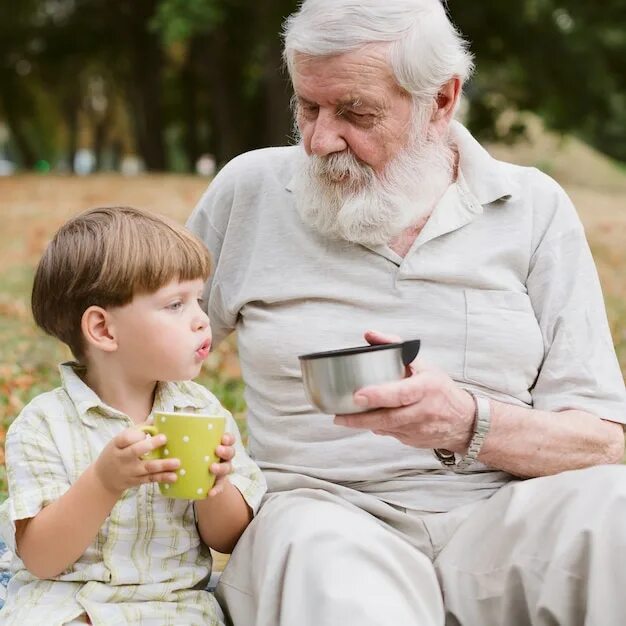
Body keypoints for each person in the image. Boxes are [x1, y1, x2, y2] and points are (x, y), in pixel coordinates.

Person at [187, 0, 626, 624]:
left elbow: (604, 445)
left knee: (616, 511)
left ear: (441, 100)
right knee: (325, 570)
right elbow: (142, 341)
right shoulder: (251, 190)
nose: (320, 139)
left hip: (502, 521)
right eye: (307, 106)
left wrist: (469, 422)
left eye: (356, 113)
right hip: (324, 515)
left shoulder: (533, 207)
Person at [0, 207, 266, 625]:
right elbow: (42, 559)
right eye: (175, 304)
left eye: (198, 299)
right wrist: (103, 482)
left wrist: (217, 485)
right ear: (104, 330)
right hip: (70, 605)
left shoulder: (200, 412)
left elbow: (228, 538)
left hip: (173, 608)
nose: (201, 319)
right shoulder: (43, 426)